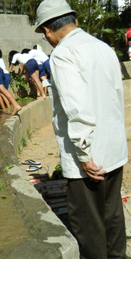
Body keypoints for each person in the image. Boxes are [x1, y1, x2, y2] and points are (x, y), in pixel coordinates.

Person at [35, 0, 128, 258]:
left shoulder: (63, 54)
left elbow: (77, 109)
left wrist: (84, 155)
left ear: (47, 30)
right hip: (113, 148)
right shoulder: (103, 47)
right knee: (111, 213)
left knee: (87, 223)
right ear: (74, 20)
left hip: (88, 157)